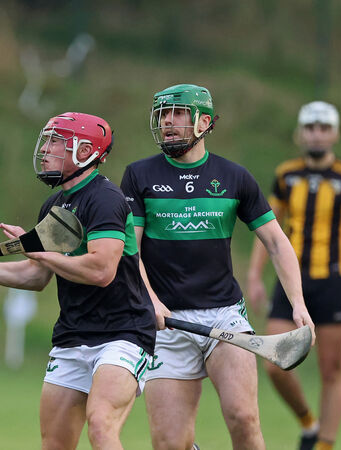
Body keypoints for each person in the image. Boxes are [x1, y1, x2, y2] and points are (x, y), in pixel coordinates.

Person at [0, 112, 156, 450]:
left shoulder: (105, 199)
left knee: (102, 426)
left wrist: (38, 251)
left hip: (123, 333)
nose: (46, 149)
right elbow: (35, 276)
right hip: (73, 335)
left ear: (85, 151)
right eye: (47, 140)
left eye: (56, 142)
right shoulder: (56, 205)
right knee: (54, 443)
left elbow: (101, 271)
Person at [120, 83, 316, 450]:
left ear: (203, 122)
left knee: (243, 417)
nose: (167, 122)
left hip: (224, 316)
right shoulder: (139, 176)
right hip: (166, 324)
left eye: (177, 113)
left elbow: (276, 241)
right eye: (163, 115)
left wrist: (298, 304)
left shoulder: (234, 177)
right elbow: (131, 250)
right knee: (169, 443)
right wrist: (150, 301)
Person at [247, 101, 341, 450]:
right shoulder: (287, 174)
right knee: (276, 361)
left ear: (333, 133)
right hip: (292, 283)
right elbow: (269, 229)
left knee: (331, 370)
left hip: (334, 282)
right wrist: (255, 275)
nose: (316, 133)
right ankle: (308, 422)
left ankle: (324, 444)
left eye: (323, 127)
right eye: (310, 127)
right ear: (300, 133)